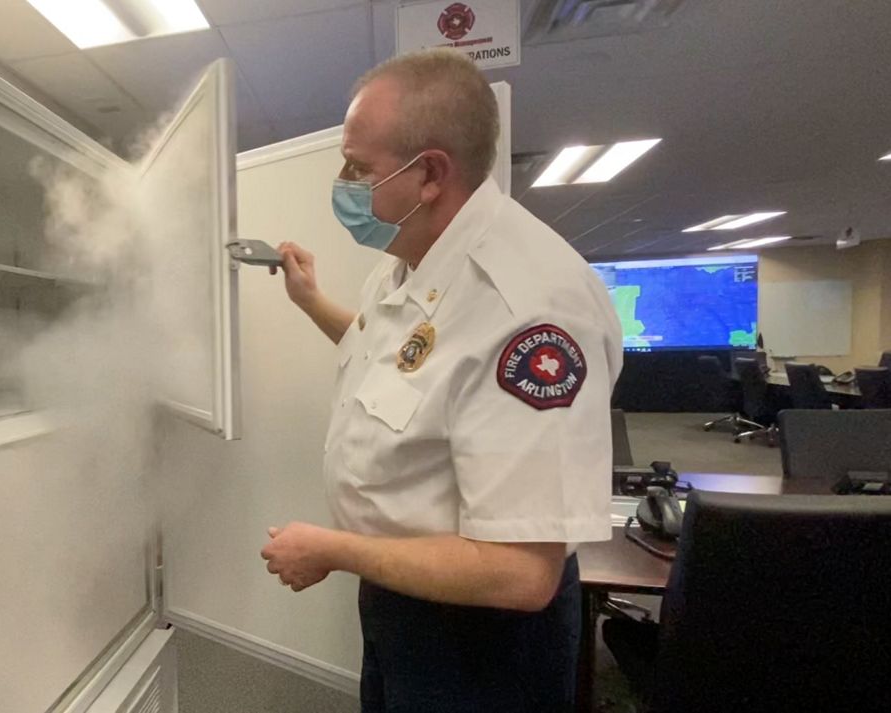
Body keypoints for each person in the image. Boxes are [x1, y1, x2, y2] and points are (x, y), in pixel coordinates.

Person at [259, 49, 623, 712]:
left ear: (429, 173)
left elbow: (521, 574)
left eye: (357, 167)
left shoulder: (528, 308)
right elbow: (402, 362)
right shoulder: (414, 258)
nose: (343, 183)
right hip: (406, 604)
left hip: (482, 644)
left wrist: (335, 549)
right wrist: (312, 302)